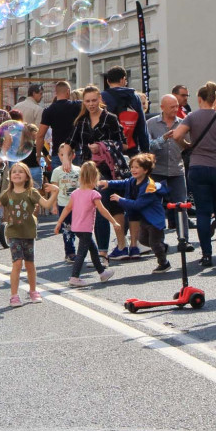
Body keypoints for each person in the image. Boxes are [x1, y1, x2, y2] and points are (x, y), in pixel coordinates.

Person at [171, 83, 216, 266]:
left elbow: (177, 135)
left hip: (199, 167)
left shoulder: (192, 116)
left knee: (203, 212)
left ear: (201, 99)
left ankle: (206, 255)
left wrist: (188, 146)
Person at [0, 162, 58, 306]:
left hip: (29, 233)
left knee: (30, 264)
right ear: (10, 177)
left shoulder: (32, 192)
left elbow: (46, 205)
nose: (17, 174)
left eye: (21, 172)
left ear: (27, 177)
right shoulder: (7, 193)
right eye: (14, 172)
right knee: (17, 263)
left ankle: (33, 291)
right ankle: (14, 295)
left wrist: (55, 192)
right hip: (13, 233)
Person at [68, 85, 129, 260]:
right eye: (87, 101)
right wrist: (66, 158)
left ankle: (115, 247)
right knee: (101, 206)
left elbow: (122, 144)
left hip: (109, 170)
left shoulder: (110, 118)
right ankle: (109, 249)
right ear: (83, 102)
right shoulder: (81, 121)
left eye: (94, 100)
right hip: (89, 171)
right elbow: (69, 142)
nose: (91, 104)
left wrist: (102, 146)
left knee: (110, 205)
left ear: (100, 100)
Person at [101, 153, 171, 273]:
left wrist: (120, 199)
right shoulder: (133, 181)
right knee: (143, 240)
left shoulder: (149, 187)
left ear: (146, 170)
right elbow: (123, 182)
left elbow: (138, 204)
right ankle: (162, 246)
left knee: (153, 243)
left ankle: (164, 263)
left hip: (154, 220)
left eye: (137, 167)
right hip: (143, 219)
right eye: (132, 167)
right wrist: (108, 183)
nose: (133, 170)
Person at [54, 161, 119, 286]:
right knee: (82, 253)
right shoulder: (94, 194)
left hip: (77, 227)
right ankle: (74, 277)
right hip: (86, 229)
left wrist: (59, 223)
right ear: (95, 177)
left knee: (93, 251)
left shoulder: (75, 193)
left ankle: (102, 273)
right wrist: (113, 221)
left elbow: (67, 209)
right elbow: (102, 210)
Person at [146, 94, 188, 206]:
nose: (175, 110)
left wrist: (182, 142)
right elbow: (148, 147)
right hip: (157, 171)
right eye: (172, 107)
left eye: (177, 106)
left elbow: (189, 146)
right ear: (162, 107)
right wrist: (163, 138)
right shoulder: (151, 123)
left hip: (176, 170)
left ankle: (179, 224)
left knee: (180, 205)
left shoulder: (183, 123)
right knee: (154, 204)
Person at [101, 66, 150, 154]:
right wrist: (145, 151)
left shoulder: (102, 97)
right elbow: (142, 126)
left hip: (109, 149)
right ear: (123, 80)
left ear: (108, 81)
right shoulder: (134, 97)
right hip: (131, 148)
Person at [37, 81, 81, 167]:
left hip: (57, 152)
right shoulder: (77, 106)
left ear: (55, 93)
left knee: (57, 179)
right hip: (74, 151)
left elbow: (40, 135)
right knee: (76, 179)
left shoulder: (49, 110)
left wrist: (38, 154)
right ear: (68, 92)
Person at [50, 143, 80, 262]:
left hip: (78, 204)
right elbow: (54, 190)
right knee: (67, 229)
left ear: (73, 155)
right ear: (58, 156)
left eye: (67, 154)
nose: (64, 157)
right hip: (63, 204)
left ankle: (83, 250)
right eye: (62, 155)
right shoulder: (57, 171)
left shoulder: (78, 170)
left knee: (79, 228)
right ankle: (70, 253)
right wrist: (54, 205)